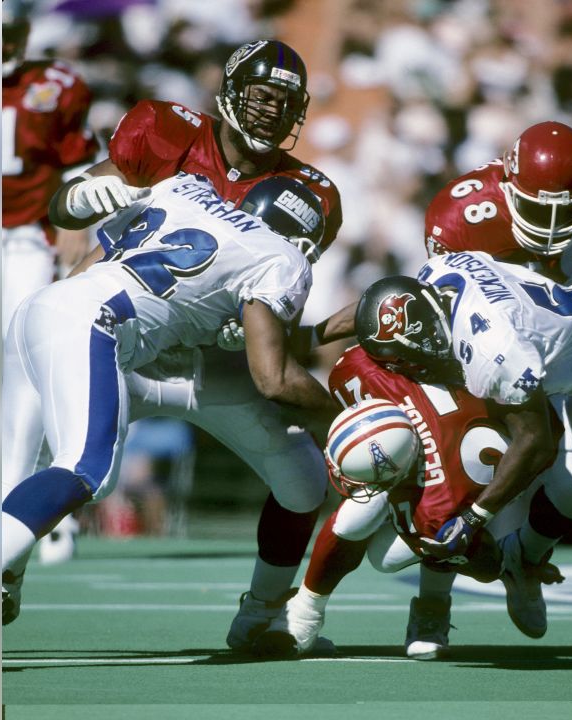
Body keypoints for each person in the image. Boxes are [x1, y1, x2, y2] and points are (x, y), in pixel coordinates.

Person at [46, 40, 347, 651]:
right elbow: (70, 213)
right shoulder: (164, 132)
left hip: (217, 366)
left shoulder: (310, 193)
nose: (271, 111)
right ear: (232, 91)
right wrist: (79, 198)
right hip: (123, 340)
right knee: (36, 444)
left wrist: (254, 322)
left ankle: (262, 613)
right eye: (262, 95)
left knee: (303, 482)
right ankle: (4, 571)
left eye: (285, 102)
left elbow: (276, 302)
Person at [1, 173, 341, 626]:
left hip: (54, 309)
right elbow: (274, 378)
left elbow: (91, 261)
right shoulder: (279, 258)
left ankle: (262, 617)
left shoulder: (185, 190)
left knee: (29, 459)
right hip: (103, 330)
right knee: (86, 467)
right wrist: (343, 418)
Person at [293, 251, 572, 646]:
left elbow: (537, 440)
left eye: (402, 361)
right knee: (424, 478)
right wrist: (313, 335)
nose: (399, 370)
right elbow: (381, 305)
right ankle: (311, 611)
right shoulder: (435, 276)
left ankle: (523, 560)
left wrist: (474, 518)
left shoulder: (493, 354)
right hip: (532, 357)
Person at [2, 7, 98, 336]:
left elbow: (77, 158)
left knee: (21, 328)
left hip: (28, 231)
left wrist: (74, 218)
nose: (4, 47)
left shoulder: (55, 84)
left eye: (10, 35)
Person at [424, 121, 572, 285]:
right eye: (537, 209)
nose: (551, 225)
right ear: (508, 186)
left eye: (567, 210)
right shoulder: (457, 216)